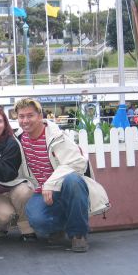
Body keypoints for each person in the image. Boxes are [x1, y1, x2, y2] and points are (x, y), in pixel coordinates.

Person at [14, 98, 95, 252]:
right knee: (37, 220)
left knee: (73, 180)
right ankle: (60, 227)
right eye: (21, 116)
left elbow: (78, 163)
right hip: (40, 190)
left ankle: (78, 234)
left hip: (64, 186)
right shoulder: (19, 139)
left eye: (30, 115)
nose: (25, 120)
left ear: (39, 115)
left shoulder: (57, 137)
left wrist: (51, 183)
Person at [0, 106, 37, 241]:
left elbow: (6, 174)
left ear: (5, 123)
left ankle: (26, 228)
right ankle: (0, 226)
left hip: (11, 186)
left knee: (25, 192)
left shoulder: (11, 143)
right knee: (4, 215)